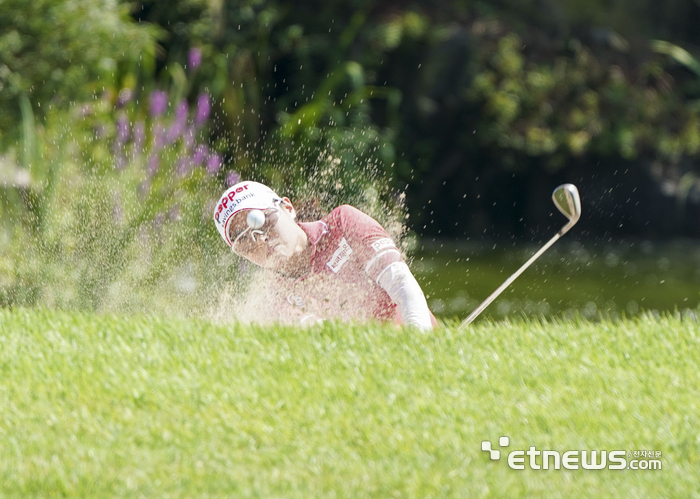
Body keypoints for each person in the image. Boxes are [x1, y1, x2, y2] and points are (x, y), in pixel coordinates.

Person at [213, 180, 436, 330]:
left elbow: (402, 285)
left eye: (263, 219)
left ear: (287, 208)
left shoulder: (343, 223)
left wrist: (417, 347)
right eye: (243, 241)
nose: (260, 238)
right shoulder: (271, 300)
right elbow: (329, 343)